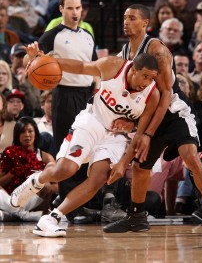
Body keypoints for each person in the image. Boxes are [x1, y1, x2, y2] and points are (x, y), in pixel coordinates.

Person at [103, 4, 202, 236]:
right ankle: (136, 216)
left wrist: (147, 134)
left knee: (190, 156)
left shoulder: (157, 49)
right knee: (141, 166)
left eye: (132, 18)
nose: (126, 21)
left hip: (174, 111)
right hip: (150, 115)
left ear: (145, 23)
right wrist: (129, 122)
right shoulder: (123, 53)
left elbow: (164, 96)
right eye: (124, 17)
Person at [10, 50, 160, 237]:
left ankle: (52, 218)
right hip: (92, 121)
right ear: (133, 69)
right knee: (65, 171)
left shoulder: (152, 94)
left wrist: (123, 162)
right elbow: (80, 67)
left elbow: (139, 134)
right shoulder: (113, 66)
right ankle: (37, 180)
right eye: (144, 76)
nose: (146, 83)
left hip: (115, 137)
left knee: (98, 179)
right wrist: (45, 60)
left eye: (151, 78)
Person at [23, 0, 98, 224]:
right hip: (64, 95)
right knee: (68, 151)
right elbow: (30, 62)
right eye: (71, 8)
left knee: (88, 150)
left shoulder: (88, 35)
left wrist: (97, 93)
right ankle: (69, 206)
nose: (75, 12)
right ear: (61, 9)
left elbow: (95, 67)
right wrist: (32, 57)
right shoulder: (53, 34)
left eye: (78, 8)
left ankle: (86, 203)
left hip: (88, 97)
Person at [0, 116, 57, 222]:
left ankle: (13, 214)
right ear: (17, 135)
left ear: (35, 133)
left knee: (45, 185)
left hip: (34, 201)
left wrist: (38, 181)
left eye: (30, 131)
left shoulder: (46, 157)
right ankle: (22, 214)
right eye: (22, 132)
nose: (26, 135)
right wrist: (13, 174)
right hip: (11, 198)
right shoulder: (9, 154)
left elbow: (57, 186)